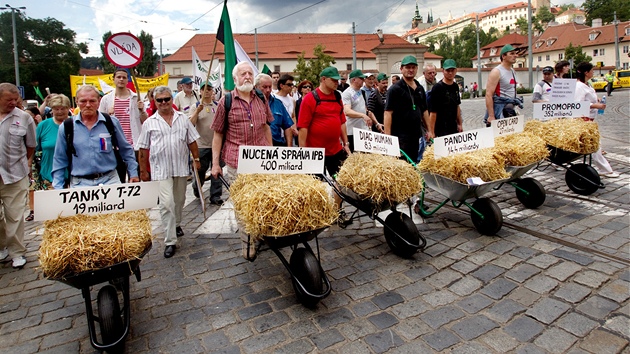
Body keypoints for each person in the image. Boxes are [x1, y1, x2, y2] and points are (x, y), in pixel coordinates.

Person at [211, 62, 273, 261]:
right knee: (243, 204)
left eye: (249, 73)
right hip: (237, 162)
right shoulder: (225, 101)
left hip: (262, 161)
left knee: (262, 199)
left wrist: (272, 154)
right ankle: (247, 244)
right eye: (242, 74)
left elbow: (265, 127)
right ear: (235, 78)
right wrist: (215, 164)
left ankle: (262, 233)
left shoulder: (261, 98)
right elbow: (218, 134)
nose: (247, 76)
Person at [137, 86, 200, 258]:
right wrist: (143, 171)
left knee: (179, 200)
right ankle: (170, 240)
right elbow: (142, 149)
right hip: (160, 170)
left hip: (180, 167)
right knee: (166, 204)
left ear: (172, 100)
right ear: (155, 102)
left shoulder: (183, 119)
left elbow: (192, 140)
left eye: (167, 99)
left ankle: (177, 224)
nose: (164, 103)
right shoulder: (149, 122)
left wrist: (196, 159)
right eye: (160, 100)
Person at [51, 85, 139, 190]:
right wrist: (58, 188)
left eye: (92, 101)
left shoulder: (111, 122)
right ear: (77, 101)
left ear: (99, 101)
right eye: (83, 101)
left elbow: (126, 150)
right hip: (80, 184)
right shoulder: (67, 127)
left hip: (110, 180)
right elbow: (59, 159)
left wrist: (133, 173)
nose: (88, 105)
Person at [297, 66, 351, 225]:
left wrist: (346, 143)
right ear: (323, 79)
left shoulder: (337, 97)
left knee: (341, 181)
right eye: (333, 80)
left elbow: (342, 122)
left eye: (337, 80)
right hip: (315, 152)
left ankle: (337, 210)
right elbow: (303, 127)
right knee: (313, 186)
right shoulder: (310, 99)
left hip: (335, 149)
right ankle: (314, 215)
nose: (337, 83)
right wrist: (303, 152)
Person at [0, 83, 36, 269]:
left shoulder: (23, 118)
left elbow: (30, 144)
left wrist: (23, 163)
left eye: (16, 99)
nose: (13, 103)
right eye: (9, 100)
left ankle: (17, 252)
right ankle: (1, 246)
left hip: (14, 175)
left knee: (14, 216)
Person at [26, 94, 71, 222]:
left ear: (68, 108)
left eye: (63, 108)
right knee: (53, 212)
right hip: (48, 171)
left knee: (69, 212)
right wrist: (30, 166)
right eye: (56, 108)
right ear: (51, 109)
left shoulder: (74, 123)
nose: (60, 111)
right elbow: (34, 147)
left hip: (72, 172)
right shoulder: (43, 125)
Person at [99, 69, 147, 180]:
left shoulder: (136, 98)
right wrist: (108, 115)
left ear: (127, 80)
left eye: (124, 77)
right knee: (118, 177)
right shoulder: (106, 100)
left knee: (135, 176)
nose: (121, 79)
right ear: (113, 79)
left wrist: (142, 111)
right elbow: (100, 123)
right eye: (119, 77)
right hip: (115, 145)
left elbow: (145, 121)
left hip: (134, 144)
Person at [574, 62, 619, 178]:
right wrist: (595, 105)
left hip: (590, 119)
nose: (593, 72)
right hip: (583, 119)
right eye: (592, 70)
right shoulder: (579, 86)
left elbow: (588, 98)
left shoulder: (587, 84)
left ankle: (604, 169)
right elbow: (578, 104)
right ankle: (605, 169)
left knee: (595, 145)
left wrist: (597, 99)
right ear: (586, 72)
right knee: (595, 145)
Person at [384, 55, 429, 162]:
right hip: (400, 137)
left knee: (414, 162)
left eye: (413, 67)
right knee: (402, 165)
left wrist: (430, 130)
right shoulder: (394, 90)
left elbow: (424, 111)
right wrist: (388, 137)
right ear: (401, 69)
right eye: (408, 67)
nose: (411, 70)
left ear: (417, 69)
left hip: (415, 135)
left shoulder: (420, 88)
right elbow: (388, 113)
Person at [189, 81, 223, 205]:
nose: (207, 91)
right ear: (200, 92)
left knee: (216, 170)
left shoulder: (217, 105)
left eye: (209, 89)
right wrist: (197, 112)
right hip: (201, 145)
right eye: (204, 89)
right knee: (200, 171)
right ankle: (197, 187)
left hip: (215, 145)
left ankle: (215, 195)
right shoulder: (196, 106)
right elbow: (190, 124)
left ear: (212, 91)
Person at [484, 44, 523, 127]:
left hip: (511, 108)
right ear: (504, 56)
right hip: (501, 109)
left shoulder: (512, 71)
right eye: (512, 54)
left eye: (515, 53)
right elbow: (488, 94)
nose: (515, 56)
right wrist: (491, 116)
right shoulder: (496, 72)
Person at [342, 69, 379, 151]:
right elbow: (347, 111)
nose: (363, 80)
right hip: (352, 131)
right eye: (361, 78)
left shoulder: (361, 92)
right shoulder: (347, 93)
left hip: (363, 130)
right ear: (354, 80)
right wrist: (362, 115)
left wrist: (373, 120)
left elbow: (364, 107)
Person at [427, 59, 462, 138]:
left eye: (452, 70)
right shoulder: (437, 88)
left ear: (456, 71)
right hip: (440, 128)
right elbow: (433, 112)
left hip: (453, 126)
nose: (450, 73)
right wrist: (431, 131)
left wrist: (460, 124)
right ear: (443, 71)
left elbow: (457, 106)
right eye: (448, 70)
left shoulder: (455, 86)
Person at [257, 74, 294, 147]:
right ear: (256, 87)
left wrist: (290, 148)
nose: (268, 90)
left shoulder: (278, 103)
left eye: (270, 87)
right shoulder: (250, 103)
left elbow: (287, 127)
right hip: (257, 147)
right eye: (264, 87)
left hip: (276, 146)